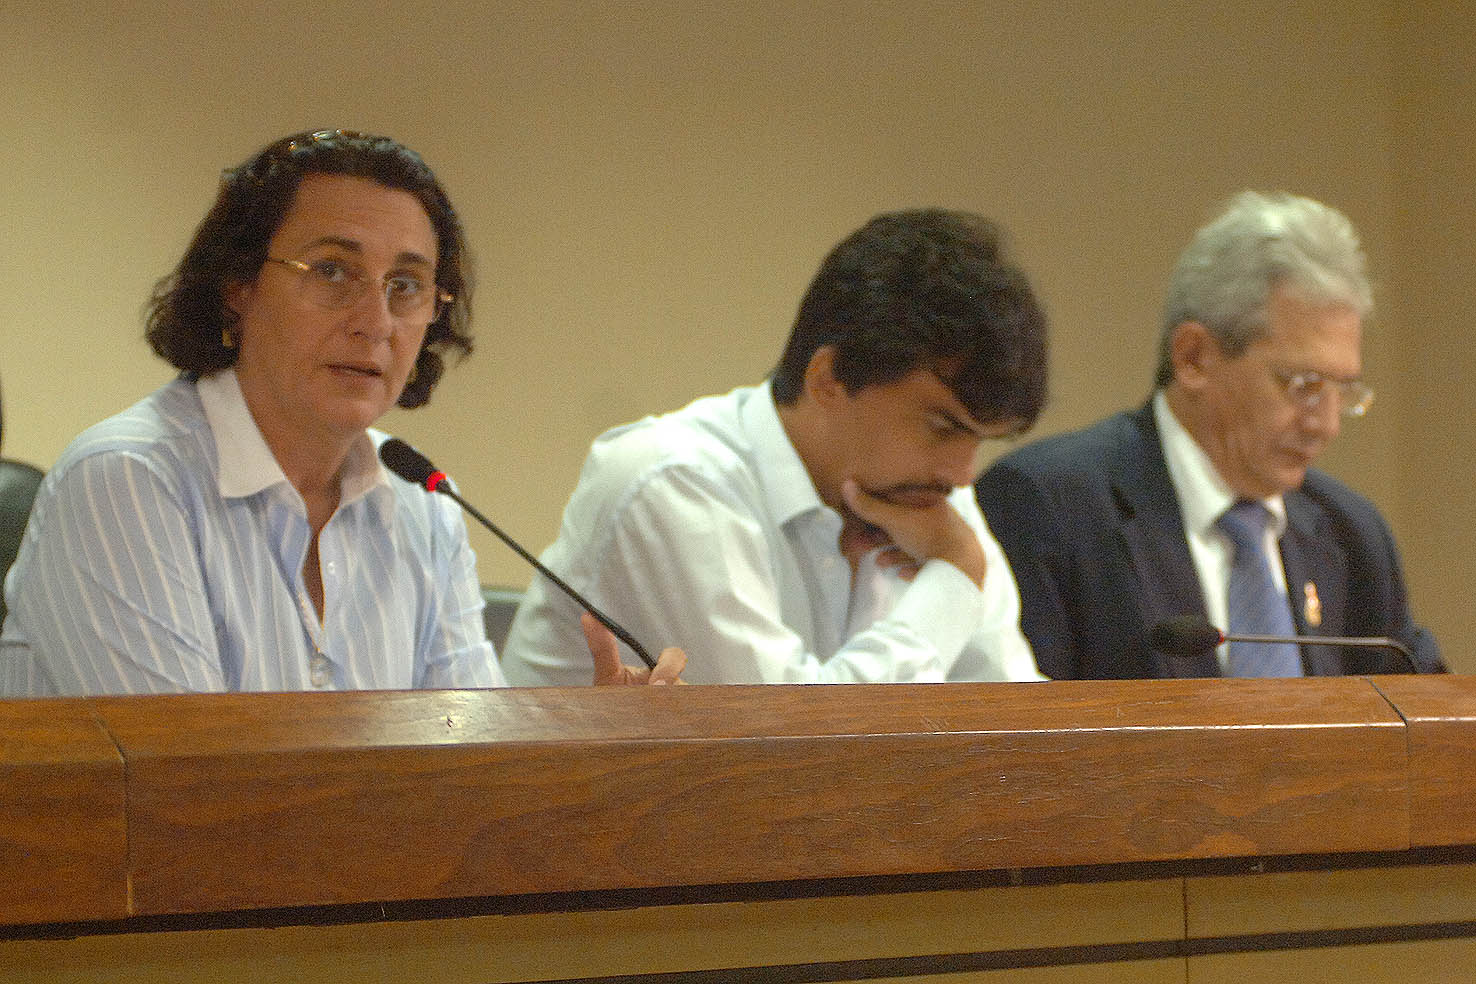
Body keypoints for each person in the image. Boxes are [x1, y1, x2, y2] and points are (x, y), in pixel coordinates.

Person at [0, 129, 683, 696]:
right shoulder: (127, 480)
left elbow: (470, 769)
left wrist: (590, 750)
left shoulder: (424, 507)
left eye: (406, 285)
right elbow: (184, 792)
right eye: (331, 271)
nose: (375, 321)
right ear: (238, 286)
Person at [502, 209, 1049, 685]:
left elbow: (1016, 730)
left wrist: (954, 568)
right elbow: (796, 744)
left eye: (980, 439)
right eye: (941, 426)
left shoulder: (935, 501)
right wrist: (953, 577)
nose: (963, 474)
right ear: (828, 378)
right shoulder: (672, 482)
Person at [976, 191, 1440, 679]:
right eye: (1303, 385)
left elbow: (1419, 707)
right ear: (1194, 357)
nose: (1326, 425)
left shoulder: (1353, 534)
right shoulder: (1046, 506)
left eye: (1341, 390)